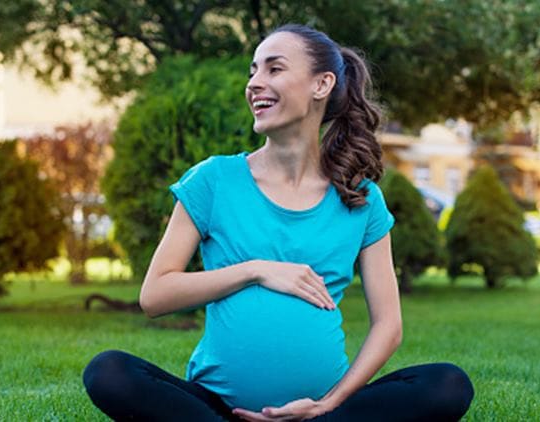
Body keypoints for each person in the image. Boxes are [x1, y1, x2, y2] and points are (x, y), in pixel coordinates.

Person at [82, 23, 474, 421]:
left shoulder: (361, 197)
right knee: (109, 372)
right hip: (218, 408)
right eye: (253, 70)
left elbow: (388, 326)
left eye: (274, 69)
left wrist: (328, 404)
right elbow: (154, 296)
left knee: (447, 384)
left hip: (319, 413)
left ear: (321, 84)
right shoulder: (214, 180)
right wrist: (256, 271)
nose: (255, 82)